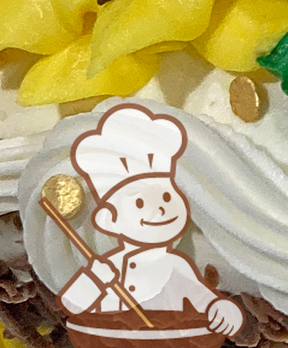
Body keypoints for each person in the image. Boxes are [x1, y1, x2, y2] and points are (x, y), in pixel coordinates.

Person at [58, 104, 243, 336]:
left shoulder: (175, 264)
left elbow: (203, 297)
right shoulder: (108, 264)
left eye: (167, 197)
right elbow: (73, 304)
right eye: (139, 203)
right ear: (110, 221)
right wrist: (94, 279)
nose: (159, 210)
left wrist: (223, 309)